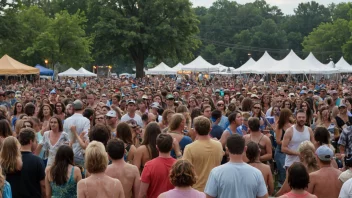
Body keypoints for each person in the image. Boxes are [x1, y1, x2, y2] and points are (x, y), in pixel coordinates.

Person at [183, 116, 223, 192]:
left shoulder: (189, 148)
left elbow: (185, 170)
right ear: (210, 129)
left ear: (195, 130)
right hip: (215, 189)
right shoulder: (218, 145)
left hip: (197, 189)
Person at [7, 128, 45, 198]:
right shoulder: (37, 161)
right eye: (35, 141)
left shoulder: (9, 160)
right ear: (31, 141)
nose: (36, 143)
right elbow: (43, 185)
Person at [139, 133, 178, 198]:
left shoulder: (149, 165)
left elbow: (142, 193)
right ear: (171, 147)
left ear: (157, 147)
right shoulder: (178, 165)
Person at [63, 100, 90, 166]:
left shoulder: (67, 120)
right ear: (83, 108)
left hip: (68, 151)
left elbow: (64, 136)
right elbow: (86, 137)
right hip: (80, 153)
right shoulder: (86, 120)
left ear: (73, 108)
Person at [274, 108, 293, 186]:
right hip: (280, 152)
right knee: (282, 170)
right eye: (288, 115)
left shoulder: (292, 125)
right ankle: (281, 185)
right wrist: (287, 142)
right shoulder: (279, 126)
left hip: (289, 150)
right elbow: (278, 141)